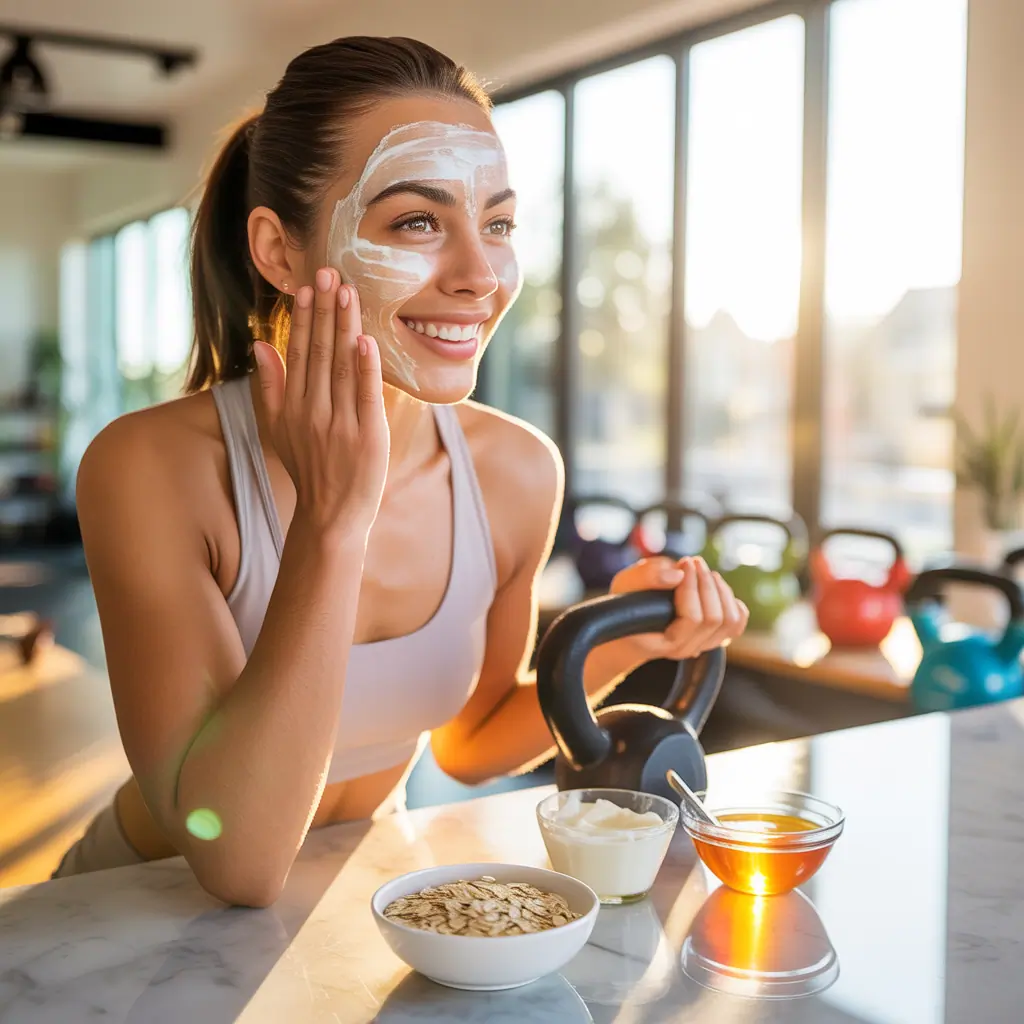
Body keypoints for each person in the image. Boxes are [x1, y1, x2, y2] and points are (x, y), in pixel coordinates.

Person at [56, 36, 749, 904]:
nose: (479, 277)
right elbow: (233, 859)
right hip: (129, 919)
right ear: (276, 250)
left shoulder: (517, 471)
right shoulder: (150, 468)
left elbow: (469, 742)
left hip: (352, 905)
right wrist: (333, 519)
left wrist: (627, 643)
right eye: (418, 222)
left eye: (497, 225)